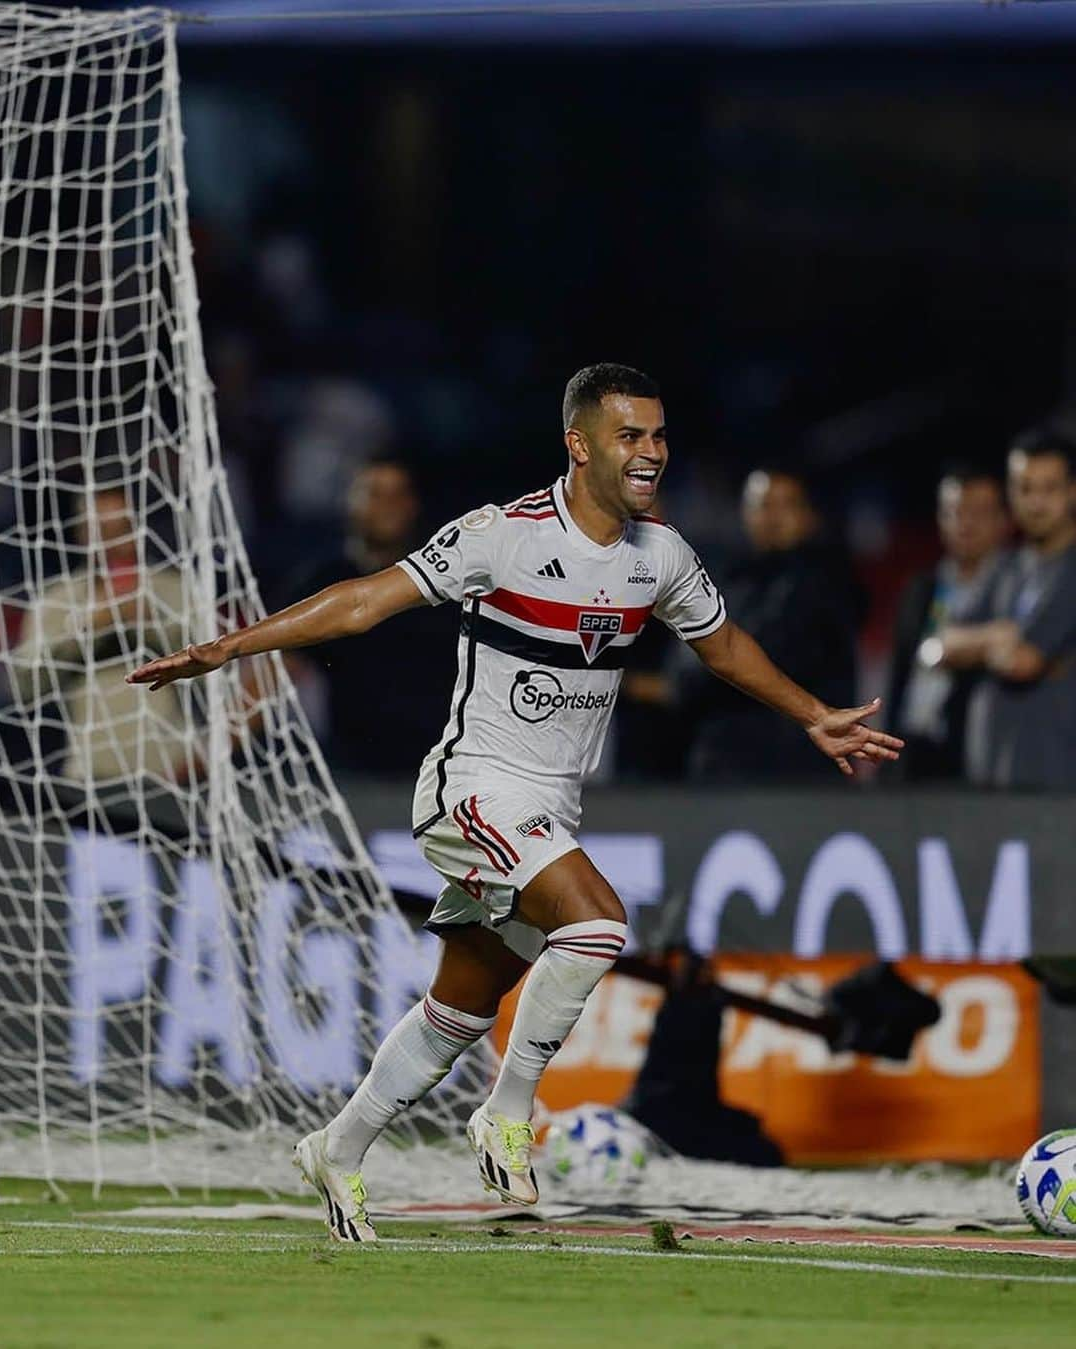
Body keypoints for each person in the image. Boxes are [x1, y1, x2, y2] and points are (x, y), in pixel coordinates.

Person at [127, 363, 902, 1244]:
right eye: (630, 436)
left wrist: (814, 716)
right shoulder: (504, 535)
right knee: (598, 924)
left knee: (460, 1008)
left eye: (657, 435)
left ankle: (337, 1148)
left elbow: (722, 647)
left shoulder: (662, 556)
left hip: (547, 808)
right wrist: (230, 647)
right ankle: (509, 1111)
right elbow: (362, 604)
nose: (650, 453)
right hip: (471, 790)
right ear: (579, 444)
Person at [667, 468, 861, 782]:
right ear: (744, 513)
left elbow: (758, 656)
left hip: (799, 774)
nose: (773, 517)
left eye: (787, 504)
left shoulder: (825, 583)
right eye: (763, 505)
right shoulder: (725, 579)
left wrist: (709, 667)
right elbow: (683, 670)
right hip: (721, 768)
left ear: (810, 516)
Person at [281, 453, 456, 775]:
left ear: (413, 504)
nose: (388, 505)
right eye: (375, 493)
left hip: (443, 769)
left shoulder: (448, 581)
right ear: (350, 502)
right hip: (352, 771)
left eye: (398, 494)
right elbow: (276, 675)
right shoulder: (323, 580)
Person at [13, 486, 189, 784]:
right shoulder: (57, 599)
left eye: (121, 530)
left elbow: (215, 664)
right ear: (81, 534)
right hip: (89, 777)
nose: (113, 543)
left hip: (174, 773)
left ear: (139, 530)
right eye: (101, 530)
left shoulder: (174, 589)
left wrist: (151, 622)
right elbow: (24, 685)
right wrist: (87, 627)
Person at [931, 429, 1076, 789]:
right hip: (993, 782)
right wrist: (996, 638)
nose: (1036, 502)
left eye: (1049, 488)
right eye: (1024, 488)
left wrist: (980, 648)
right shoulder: (1006, 568)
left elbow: (1022, 661)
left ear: (1073, 490)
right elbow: (938, 646)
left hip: (1060, 786)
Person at [886, 469, 1008, 781]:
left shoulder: (1012, 588)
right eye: (954, 512)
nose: (965, 524)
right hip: (913, 752)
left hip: (975, 757)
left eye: (978, 513)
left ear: (1003, 520)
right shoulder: (921, 588)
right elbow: (899, 676)